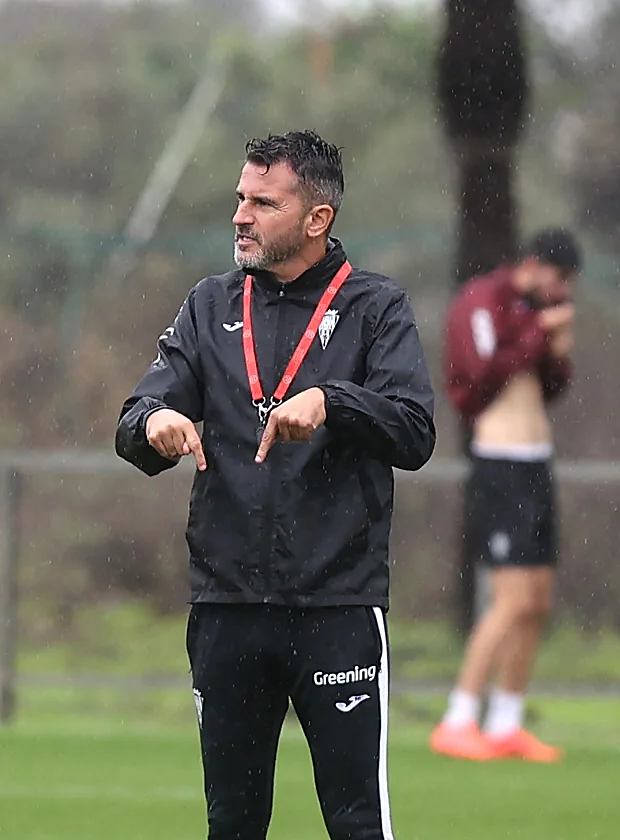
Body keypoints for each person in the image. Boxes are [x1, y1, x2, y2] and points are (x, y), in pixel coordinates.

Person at [115, 130, 436, 840]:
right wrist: (157, 421)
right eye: (240, 199)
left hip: (336, 607)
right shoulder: (208, 305)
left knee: (357, 822)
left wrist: (334, 401)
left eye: (264, 202)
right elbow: (133, 421)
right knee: (232, 824)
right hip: (227, 607)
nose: (240, 215)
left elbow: (415, 431)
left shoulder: (376, 308)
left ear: (316, 219)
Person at [429, 229, 580, 764]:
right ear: (536, 265)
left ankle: (506, 721)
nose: (560, 293)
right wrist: (540, 331)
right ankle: (458, 715)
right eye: (558, 281)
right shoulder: (483, 300)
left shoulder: (531, 311)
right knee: (509, 599)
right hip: (501, 467)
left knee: (536, 602)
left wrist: (556, 351)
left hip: (537, 464)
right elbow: (482, 373)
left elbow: (547, 386)